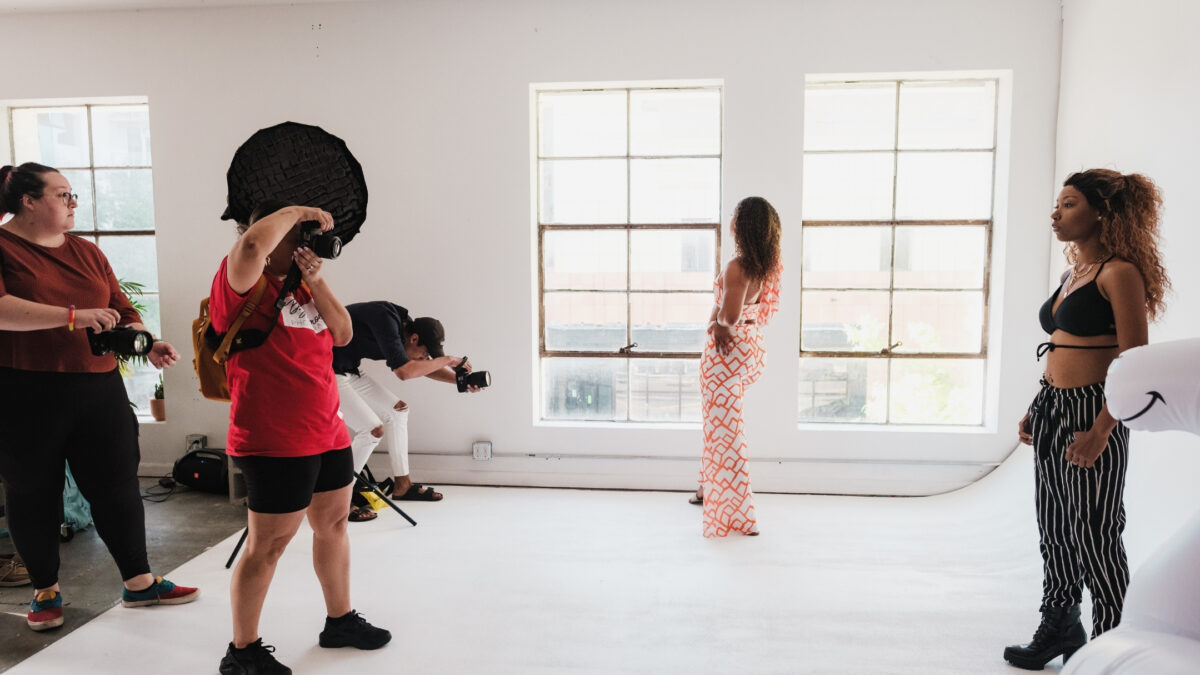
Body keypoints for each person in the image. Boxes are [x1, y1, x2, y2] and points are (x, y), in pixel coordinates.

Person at [0, 162, 198, 633]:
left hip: (98, 388)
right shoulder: (4, 248)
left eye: (73, 196)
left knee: (117, 486)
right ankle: (45, 591)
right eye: (62, 194)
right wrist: (74, 316)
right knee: (32, 493)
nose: (73, 204)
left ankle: (140, 581)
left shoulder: (87, 251)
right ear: (28, 201)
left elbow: (121, 308)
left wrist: (146, 341)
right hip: (25, 390)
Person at [212, 200, 390, 675]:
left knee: (333, 526)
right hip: (274, 439)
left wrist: (317, 280)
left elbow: (344, 333)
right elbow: (251, 243)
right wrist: (293, 209)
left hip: (326, 430)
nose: (303, 245)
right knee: (267, 545)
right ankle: (243, 652)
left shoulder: (302, 289)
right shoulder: (239, 282)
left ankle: (340, 621)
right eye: (295, 236)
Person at [1004, 169, 1170, 670]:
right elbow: (1061, 349)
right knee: (1054, 525)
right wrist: (1038, 404)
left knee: (1095, 532)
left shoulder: (1119, 273)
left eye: (1069, 204)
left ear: (1101, 212)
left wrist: (1102, 430)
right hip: (1056, 407)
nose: (1056, 213)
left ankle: (1111, 637)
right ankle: (1060, 623)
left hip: (1094, 412)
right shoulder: (1073, 272)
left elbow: (1135, 364)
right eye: (1058, 203)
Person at [333, 302, 482, 522]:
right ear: (413, 339)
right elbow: (405, 372)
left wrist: (461, 383)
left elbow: (415, 366)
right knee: (372, 430)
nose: (425, 359)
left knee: (398, 411)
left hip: (348, 368)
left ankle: (403, 486)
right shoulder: (386, 320)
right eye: (424, 354)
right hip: (326, 369)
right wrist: (449, 360)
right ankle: (338, 501)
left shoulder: (404, 331)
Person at [691, 196, 783, 537]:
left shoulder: (737, 266)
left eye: (734, 215)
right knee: (718, 424)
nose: (730, 219)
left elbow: (728, 318)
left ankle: (739, 514)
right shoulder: (765, 265)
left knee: (726, 433)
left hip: (727, 358)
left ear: (742, 225)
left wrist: (717, 323)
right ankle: (706, 489)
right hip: (752, 351)